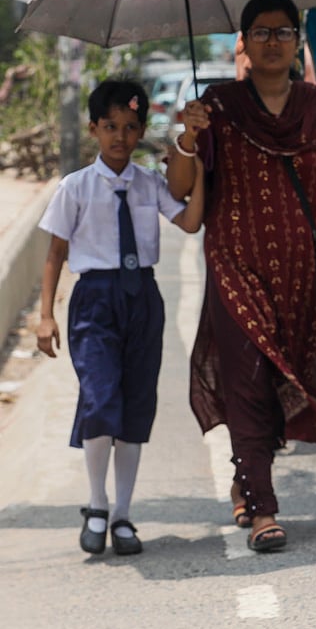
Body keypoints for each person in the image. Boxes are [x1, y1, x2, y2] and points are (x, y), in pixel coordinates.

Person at [166, 0, 316, 553]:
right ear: (244, 42)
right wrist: (188, 136)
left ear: (297, 41)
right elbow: (180, 189)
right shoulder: (217, 107)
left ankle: (246, 473)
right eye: (261, 32)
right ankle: (263, 508)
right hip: (233, 264)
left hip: (298, 273)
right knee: (246, 378)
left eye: (283, 31)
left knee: (281, 379)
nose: (273, 42)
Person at [36, 79, 205, 556]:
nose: (120, 136)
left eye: (130, 127)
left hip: (143, 300)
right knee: (99, 398)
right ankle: (97, 504)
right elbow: (55, 253)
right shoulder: (74, 187)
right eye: (110, 126)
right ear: (93, 129)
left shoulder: (149, 183)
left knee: (134, 405)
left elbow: (190, 222)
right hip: (95, 300)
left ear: (141, 131)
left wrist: (200, 172)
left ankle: (124, 515)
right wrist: (45, 316)